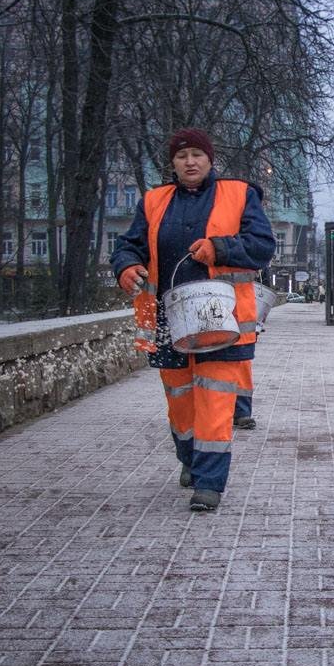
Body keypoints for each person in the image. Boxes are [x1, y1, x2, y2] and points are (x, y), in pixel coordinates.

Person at [112, 128, 276, 512]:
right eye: (182, 155)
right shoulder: (154, 201)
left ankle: (209, 483)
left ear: (210, 159)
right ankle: (190, 459)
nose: (190, 162)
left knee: (216, 402)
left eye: (197, 155)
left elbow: (262, 246)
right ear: (173, 163)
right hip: (168, 320)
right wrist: (126, 266)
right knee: (181, 402)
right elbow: (129, 244)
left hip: (220, 319)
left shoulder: (239, 194)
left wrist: (219, 247)